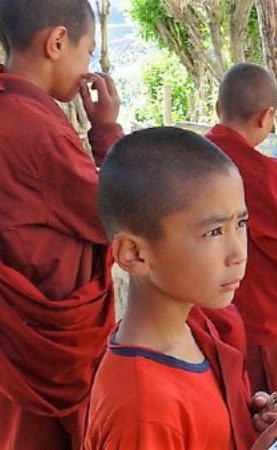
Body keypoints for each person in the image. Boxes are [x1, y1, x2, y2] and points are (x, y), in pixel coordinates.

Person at [84, 127, 277, 450]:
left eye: (241, 224)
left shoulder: (194, 324)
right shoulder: (144, 411)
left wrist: (245, 425)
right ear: (134, 253)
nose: (238, 254)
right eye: (213, 232)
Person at [0, 1, 123, 448]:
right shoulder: (39, 131)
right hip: (47, 348)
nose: (87, 65)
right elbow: (111, 214)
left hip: (13, 338)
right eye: (87, 52)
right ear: (56, 42)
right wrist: (106, 131)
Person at [206, 62, 277, 412]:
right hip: (254, 319)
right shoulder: (270, 178)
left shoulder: (191, 163)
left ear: (219, 110)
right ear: (268, 117)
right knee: (263, 414)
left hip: (201, 319)